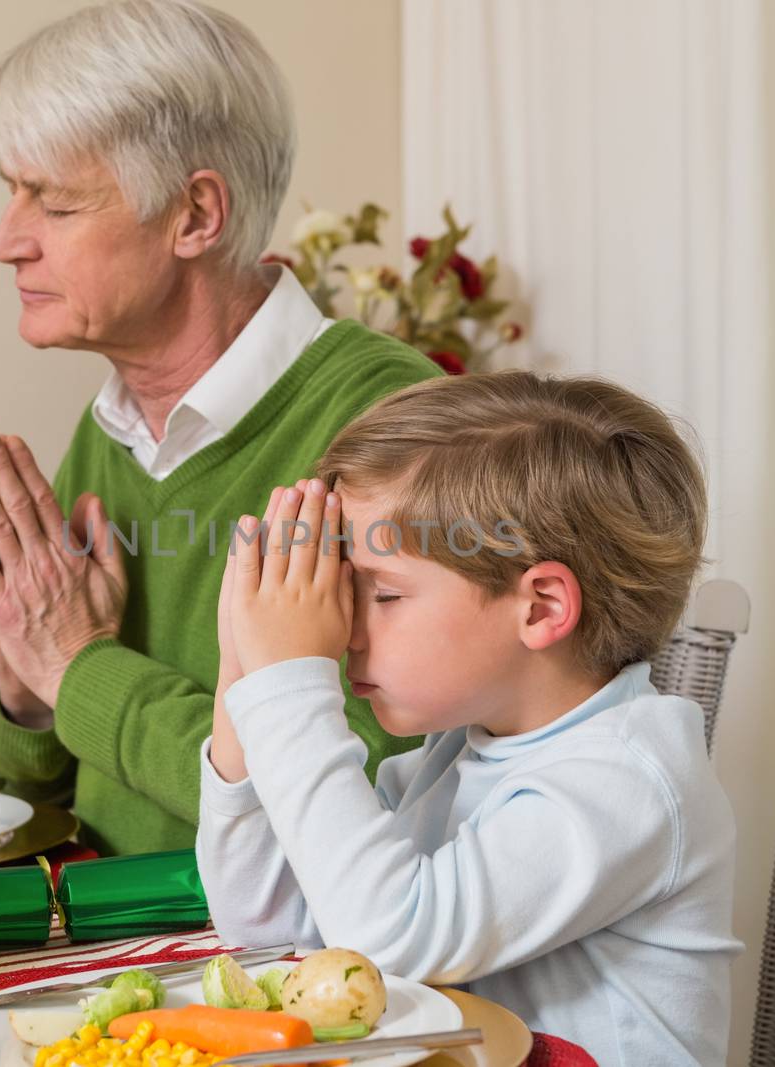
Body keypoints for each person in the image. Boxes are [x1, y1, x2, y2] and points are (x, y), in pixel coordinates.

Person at [0, 0, 441, 856]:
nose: (5, 240)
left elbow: (358, 808)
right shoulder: (114, 428)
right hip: (101, 939)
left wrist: (76, 668)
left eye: (54, 204)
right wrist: (25, 691)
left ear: (195, 216)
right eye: (11, 191)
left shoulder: (391, 429)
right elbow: (36, 793)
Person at [198, 372, 741, 1065]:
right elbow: (279, 936)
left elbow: (389, 936)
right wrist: (240, 673)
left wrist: (289, 685)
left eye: (384, 593)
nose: (345, 629)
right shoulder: (456, 753)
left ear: (541, 607)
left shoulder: (628, 780)